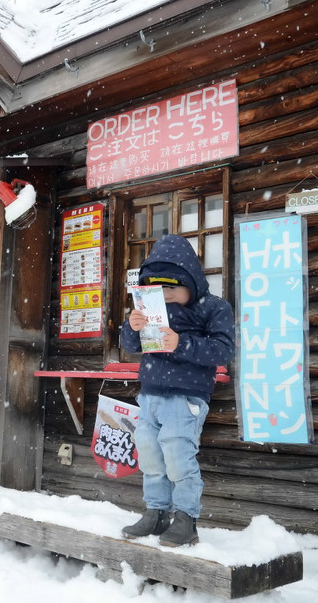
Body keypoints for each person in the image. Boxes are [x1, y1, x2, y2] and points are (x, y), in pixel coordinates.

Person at [119, 234, 235, 547]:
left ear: (192, 282)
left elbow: (223, 350)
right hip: (150, 395)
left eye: (172, 286)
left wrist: (181, 343)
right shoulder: (149, 311)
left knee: (178, 457)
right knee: (150, 456)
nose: (165, 294)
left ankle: (186, 519)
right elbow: (129, 345)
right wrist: (132, 327)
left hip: (185, 399)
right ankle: (156, 512)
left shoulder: (213, 308)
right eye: (157, 287)